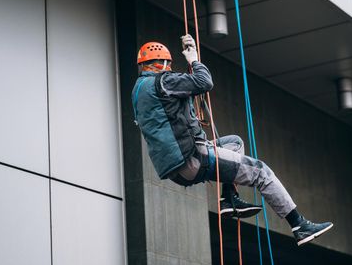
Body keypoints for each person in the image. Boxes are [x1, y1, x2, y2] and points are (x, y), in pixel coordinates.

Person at [132, 34, 333, 246]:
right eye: (169, 65)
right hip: (193, 157)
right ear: (164, 64)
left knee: (234, 143)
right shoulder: (164, 81)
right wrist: (193, 59)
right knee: (260, 171)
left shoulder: (138, 92)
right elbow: (204, 82)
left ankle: (228, 198)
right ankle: (299, 225)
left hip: (176, 167)